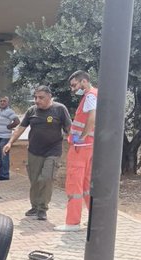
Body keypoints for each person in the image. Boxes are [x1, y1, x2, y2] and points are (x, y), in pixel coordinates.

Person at [3, 86, 72, 221]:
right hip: (34, 151)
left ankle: (42, 208)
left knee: (46, 178)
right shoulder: (32, 111)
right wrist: (10, 142)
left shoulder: (60, 109)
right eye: (35, 97)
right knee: (34, 181)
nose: (37, 100)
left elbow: (69, 129)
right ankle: (34, 206)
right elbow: (20, 128)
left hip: (53, 151)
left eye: (41, 98)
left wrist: (75, 144)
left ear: (49, 97)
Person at [54, 71, 98, 232]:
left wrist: (82, 136)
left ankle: (72, 223)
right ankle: (95, 218)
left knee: (74, 184)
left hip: (81, 147)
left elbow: (92, 118)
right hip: (88, 146)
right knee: (86, 184)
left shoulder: (90, 96)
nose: (73, 89)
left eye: (74, 85)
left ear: (84, 82)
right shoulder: (94, 94)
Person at [0, 97, 21, 181]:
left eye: (4, 101)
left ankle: (5, 175)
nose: (2, 102)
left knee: (4, 157)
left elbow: (17, 121)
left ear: (7, 102)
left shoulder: (9, 111)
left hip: (5, 138)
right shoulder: (0, 111)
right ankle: (1, 173)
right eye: (0, 101)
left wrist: (9, 126)